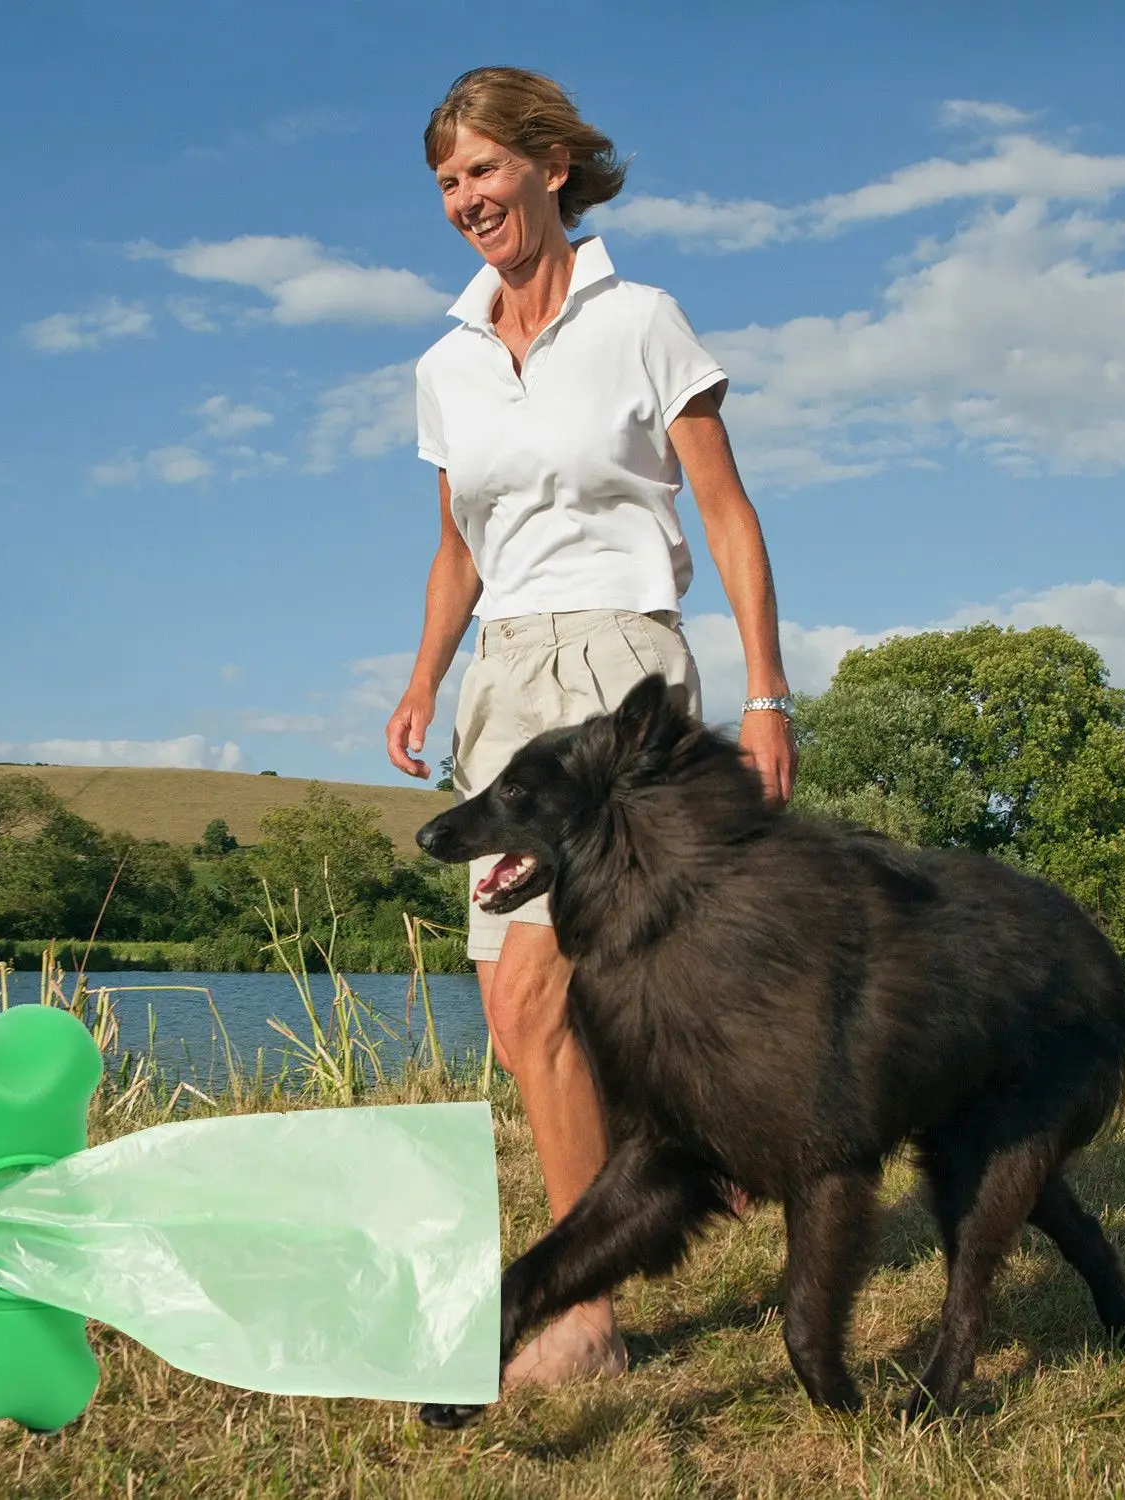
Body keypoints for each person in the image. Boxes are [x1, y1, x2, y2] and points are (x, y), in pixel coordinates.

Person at [384, 66, 798, 1393]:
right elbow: (460, 542)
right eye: (447, 181)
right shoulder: (446, 359)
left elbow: (726, 514)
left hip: (625, 675)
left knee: (619, 981)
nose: (464, 200)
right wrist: (423, 673)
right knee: (520, 1003)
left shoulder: (644, 321)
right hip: (507, 683)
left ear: (551, 166)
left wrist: (770, 691)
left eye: (484, 171)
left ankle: (590, 1292)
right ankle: (612, 1267)